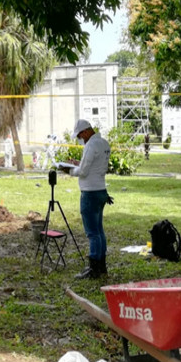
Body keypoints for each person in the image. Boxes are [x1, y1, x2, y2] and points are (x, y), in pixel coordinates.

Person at [59, 119, 112, 279]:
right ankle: (101, 266)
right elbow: (94, 166)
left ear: (87, 131)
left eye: (81, 135)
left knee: (92, 233)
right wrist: (78, 164)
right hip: (101, 190)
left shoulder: (91, 145)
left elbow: (83, 172)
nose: (81, 139)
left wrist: (67, 169)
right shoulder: (104, 143)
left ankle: (94, 268)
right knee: (99, 231)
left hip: (90, 192)